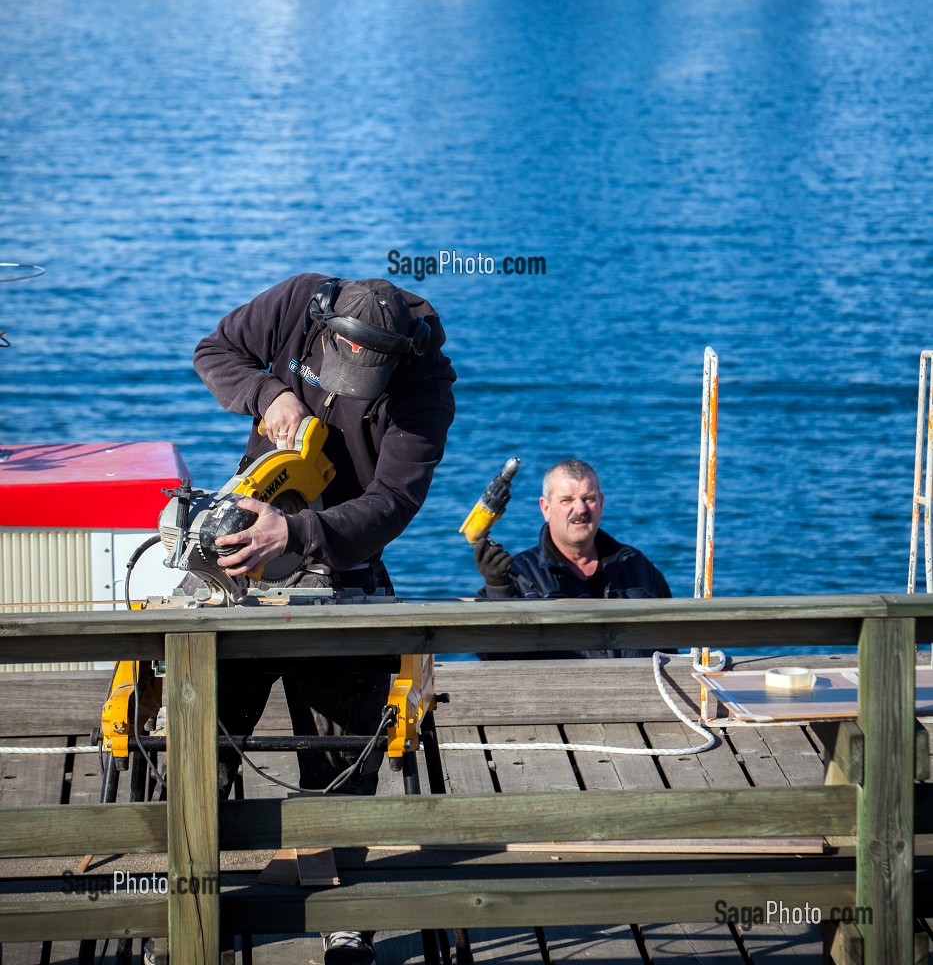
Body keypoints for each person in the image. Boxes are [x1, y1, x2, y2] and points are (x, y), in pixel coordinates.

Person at [193, 273, 456, 965]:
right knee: (206, 737)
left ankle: (346, 922)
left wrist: (301, 535)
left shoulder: (426, 387)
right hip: (244, 548)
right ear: (323, 327)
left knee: (343, 758)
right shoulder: (298, 298)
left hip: (343, 561)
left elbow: (393, 503)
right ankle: (188, 907)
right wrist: (267, 392)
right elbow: (213, 350)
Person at [473, 457, 670, 658]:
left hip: (636, 689)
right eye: (567, 500)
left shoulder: (636, 565)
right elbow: (494, 657)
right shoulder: (518, 575)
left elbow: (670, 645)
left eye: (589, 499)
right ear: (546, 508)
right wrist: (497, 589)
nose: (581, 509)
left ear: (601, 503)